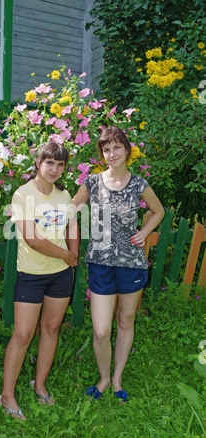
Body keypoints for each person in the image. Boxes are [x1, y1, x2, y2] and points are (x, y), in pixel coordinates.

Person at [73, 126, 164, 402]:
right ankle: (102, 377)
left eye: (116, 147)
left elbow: (158, 211)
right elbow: (70, 208)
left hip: (132, 264)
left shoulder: (139, 184)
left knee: (125, 320)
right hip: (100, 263)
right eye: (106, 149)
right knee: (101, 329)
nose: (111, 153)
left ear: (126, 150)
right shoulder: (92, 182)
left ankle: (116, 379)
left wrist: (145, 232)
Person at [0, 142, 79, 420]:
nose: (55, 170)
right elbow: (32, 239)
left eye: (60, 165)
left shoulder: (64, 194)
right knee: (22, 334)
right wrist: (67, 255)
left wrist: (73, 255)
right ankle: (7, 395)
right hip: (32, 275)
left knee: (52, 328)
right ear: (38, 163)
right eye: (50, 163)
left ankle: (40, 384)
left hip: (60, 274)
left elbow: (72, 224)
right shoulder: (23, 194)